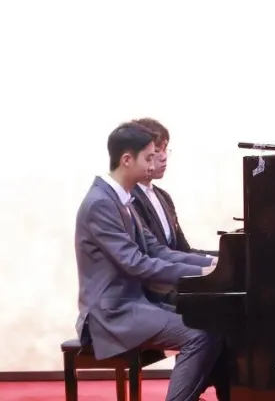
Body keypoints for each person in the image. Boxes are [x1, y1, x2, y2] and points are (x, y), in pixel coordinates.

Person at [74, 122, 221, 401]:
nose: (155, 163)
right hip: (113, 312)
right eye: (149, 157)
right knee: (201, 333)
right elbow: (137, 263)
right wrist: (203, 273)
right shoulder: (101, 203)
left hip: (134, 303)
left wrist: (208, 267)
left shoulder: (122, 199)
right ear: (127, 160)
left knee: (215, 320)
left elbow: (158, 251)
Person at [130, 117, 216, 256]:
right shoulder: (129, 198)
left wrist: (226, 256)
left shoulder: (164, 197)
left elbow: (183, 251)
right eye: (157, 150)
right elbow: (153, 254)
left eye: (165, 150)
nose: (164, 157)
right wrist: (212, 262)